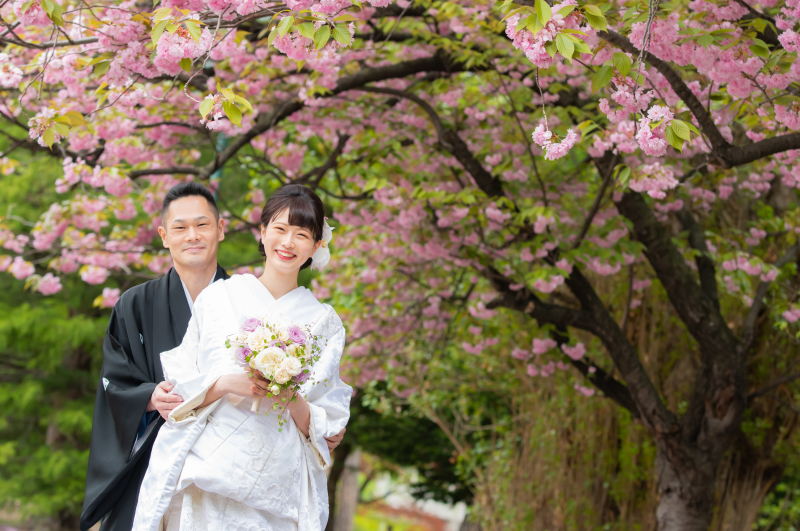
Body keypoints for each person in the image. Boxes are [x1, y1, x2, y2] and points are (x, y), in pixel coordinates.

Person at [80, 182, 346, 531]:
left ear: (316, 244)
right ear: (263, 232)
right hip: (205, 469)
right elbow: (180, 384)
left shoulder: (324, 322)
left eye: (302, 234)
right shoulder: (220, 297)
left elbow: (329, 420)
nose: (288, 242)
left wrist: (292, 399)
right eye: (280, 229)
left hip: (276, 480)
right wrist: (222, 384)